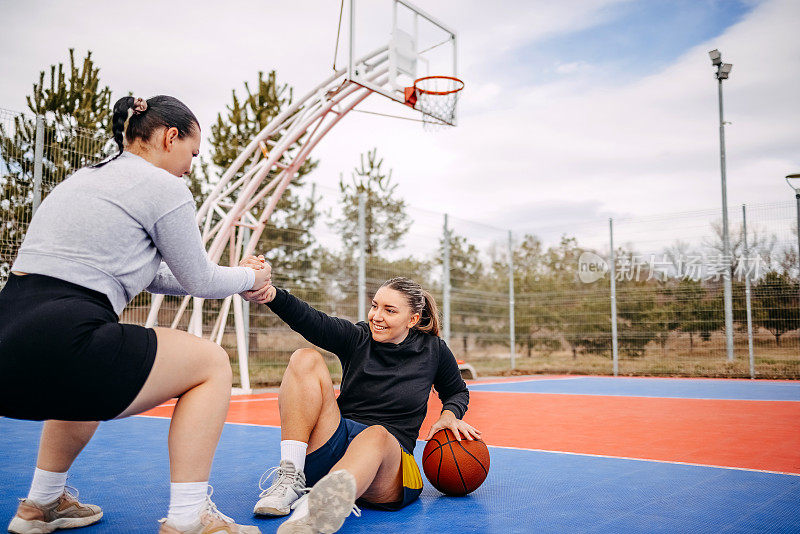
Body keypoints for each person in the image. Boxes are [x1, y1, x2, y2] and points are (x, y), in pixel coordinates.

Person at [0, 95, 270, 534]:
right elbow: (201, 280)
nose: (190, 166)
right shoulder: (164, 187)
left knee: (83, 376)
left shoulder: (82, 180)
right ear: (169, 137)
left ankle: (41, 504)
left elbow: (156, 276)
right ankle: (189, 518)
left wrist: (238, 278)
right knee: (211, 363)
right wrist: (251, 276)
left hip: (8, 345)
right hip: (66, 340)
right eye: (193, 153)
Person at [240, 273, 481, 534]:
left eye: (389, 310)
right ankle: (291, 478)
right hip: (337, 442)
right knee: (304, 358)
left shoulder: (434, 350)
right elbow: (312, 320)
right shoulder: (358, 337)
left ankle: (317, 508)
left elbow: (457, 391)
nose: (377, 316)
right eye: (375, 305)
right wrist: (271, 294)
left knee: (376, 434)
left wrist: (450, 414)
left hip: (391, 463)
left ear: (412, 319)